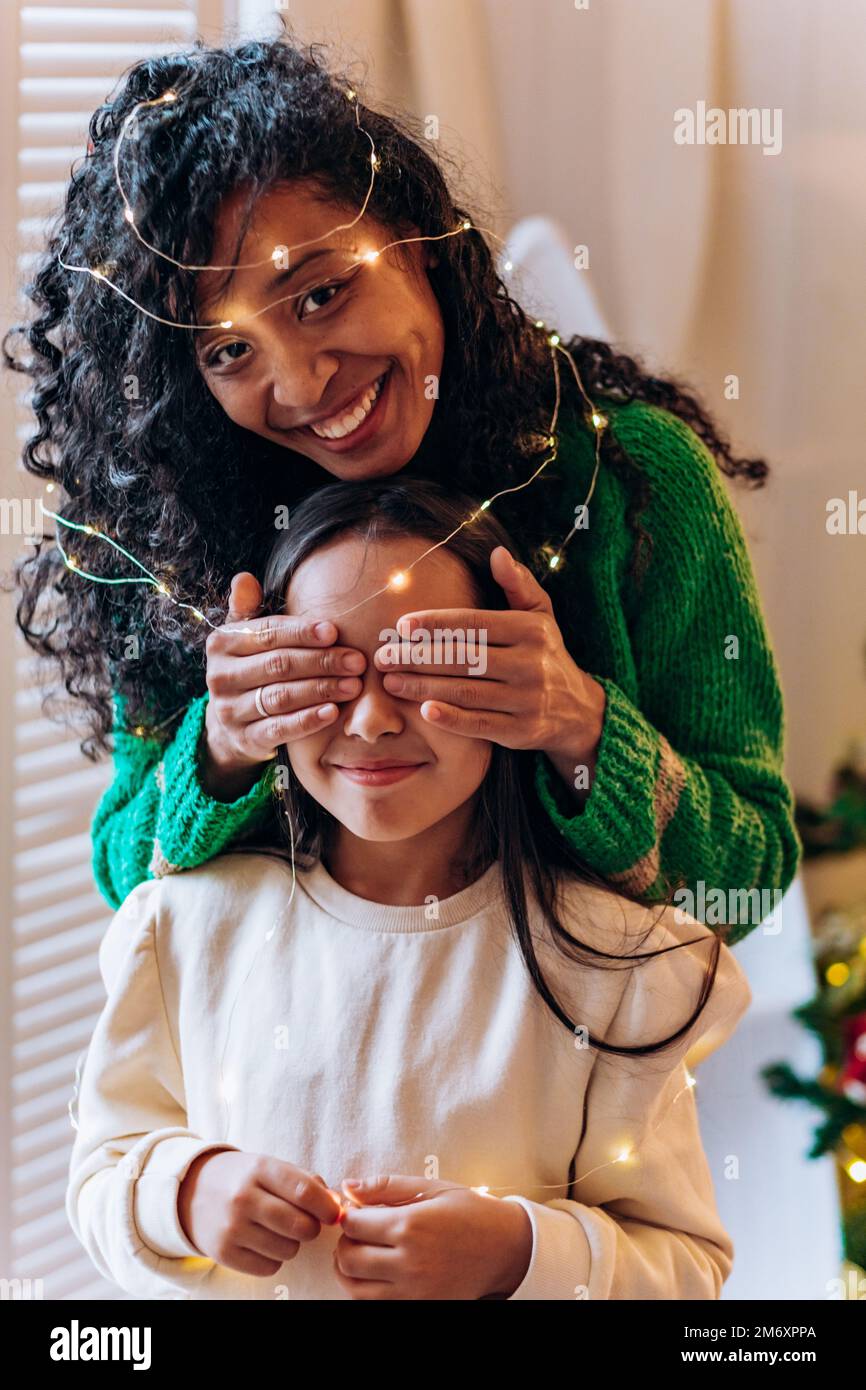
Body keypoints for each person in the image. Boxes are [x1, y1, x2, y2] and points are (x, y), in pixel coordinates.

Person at [6, 28, 800, 936]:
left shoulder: (629, 483)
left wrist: (579, 724)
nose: (305, 386)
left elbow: (745, 882)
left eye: (320, 295)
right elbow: (126, 879)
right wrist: (221, 750)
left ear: (419, 241)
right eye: (229, 351)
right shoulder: (178, 531)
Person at [66, 480, 752, 1301]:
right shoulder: (186, 928)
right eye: (328, 673)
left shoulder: (614, 968)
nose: (369, 723)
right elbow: (101, 1173)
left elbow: (685, 1268)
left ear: (514, 682)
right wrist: (181, 1192)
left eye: (419, 671)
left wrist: (522, 1255)